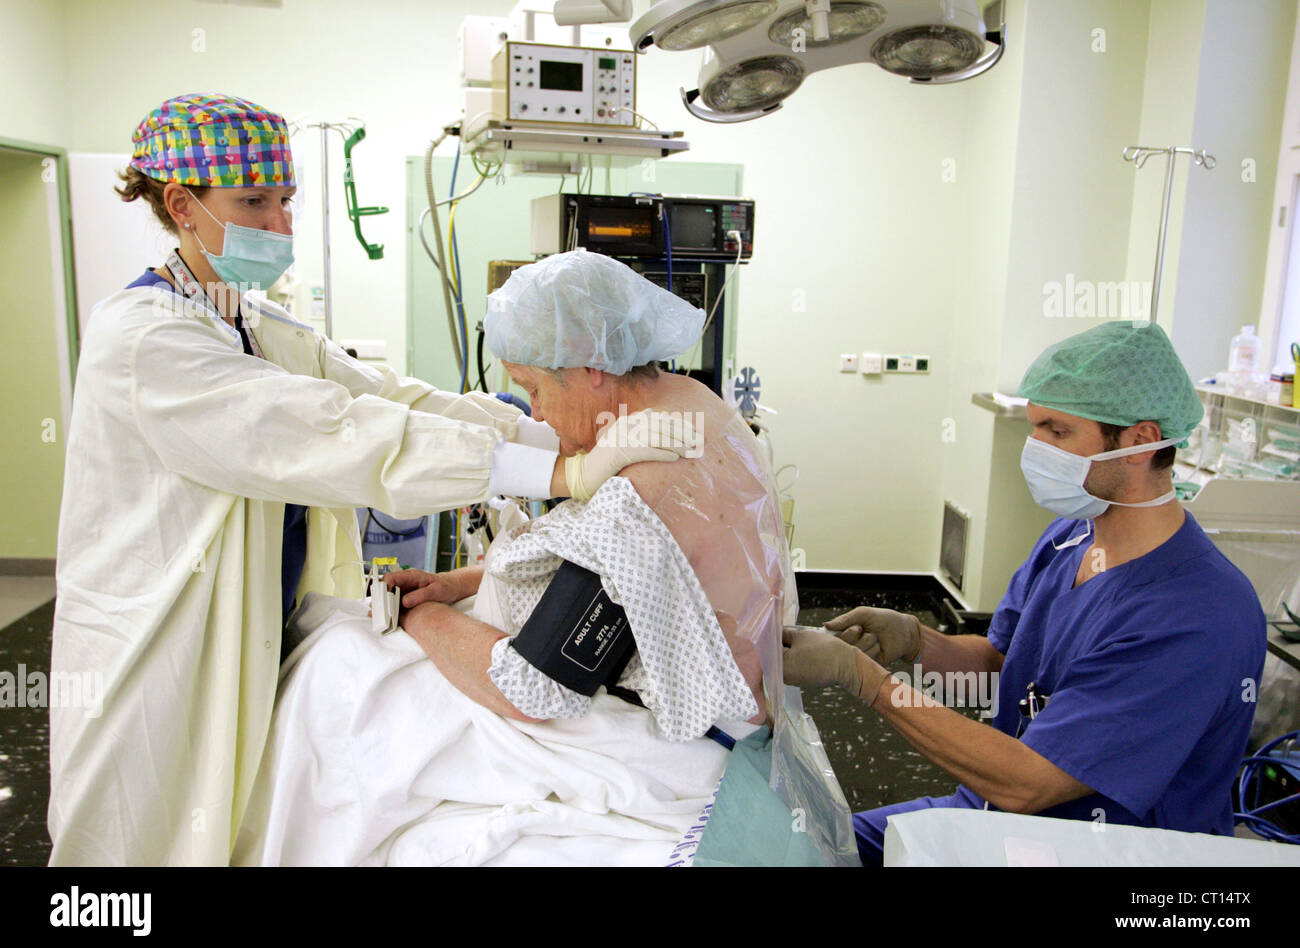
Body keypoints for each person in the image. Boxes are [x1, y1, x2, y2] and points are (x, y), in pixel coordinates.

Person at [48, 96, 688, 866]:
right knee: (139, 839)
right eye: (254, 202)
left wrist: (558, 431)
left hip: (264, 624)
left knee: (231, 817)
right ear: (182, 206)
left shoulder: (252, 323)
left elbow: (390, 398)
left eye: (285, 200)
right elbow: (330, 432)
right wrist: (559, 470)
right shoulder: (145, 342)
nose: (280, 225)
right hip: (161, 644)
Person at [233, 251, 795, 865]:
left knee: (340, 671)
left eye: (533, 390)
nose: (542, 417)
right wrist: (459, 584)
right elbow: (617, 582)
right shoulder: (696, 405)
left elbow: (533, 688)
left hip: (681, 736)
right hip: (721, 694)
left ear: (591, 366)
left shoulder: (643, 483)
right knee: (339, 643)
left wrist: (419, 619)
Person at [783, 320, 1267, 865]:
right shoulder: (1072, 538)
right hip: (992, 818)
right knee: (802, 846)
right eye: (1034, 426)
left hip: (1096, 853)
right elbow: (1000, 665)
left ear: (1140, 442)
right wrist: (914, 642)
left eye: (1057, 432)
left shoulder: (1195, 614)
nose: (1034, 448)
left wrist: (860, 677)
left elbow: (1029, 783)